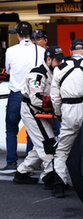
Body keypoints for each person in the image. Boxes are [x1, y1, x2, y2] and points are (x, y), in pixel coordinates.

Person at [13, 46, 64, 186]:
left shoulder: (54, 72)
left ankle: (21, 173)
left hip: (42, 111)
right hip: (32, 110)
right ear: (48, 59)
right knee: (47, 143)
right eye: (57, 61)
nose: (60, 63)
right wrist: (57, 102)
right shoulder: (37, 74)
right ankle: (49, 175)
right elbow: (36, 99)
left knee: (40, 144)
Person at [0, 21, 45, 173]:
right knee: (31, 130)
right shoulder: (41, 51)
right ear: (32, 35)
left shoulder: (11, 51)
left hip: (16, 94)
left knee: (11, 129)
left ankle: (11, 162)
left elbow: (8, 69)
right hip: (33, 95)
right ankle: (29, 163)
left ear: (17, 34)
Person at [50, 39, 83, 198]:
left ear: (70, 51)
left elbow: (55, 96)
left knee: (63, 149)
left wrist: (59, 112)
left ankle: (59, 184)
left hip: (68, 109)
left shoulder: (60, 68)